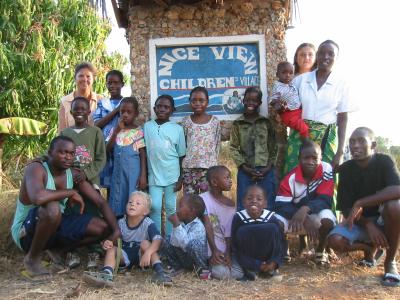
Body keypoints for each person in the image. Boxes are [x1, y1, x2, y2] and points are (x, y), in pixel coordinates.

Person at [10, 136, 119, 279]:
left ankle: (59, 250)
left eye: (71, 153)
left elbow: (100, 202)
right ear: (50, 153)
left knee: (103, 227)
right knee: (52, 207)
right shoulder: (36, 168)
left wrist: (116, 230)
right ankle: (32, 258)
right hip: (26, 232)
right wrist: (71, 192)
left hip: (55, 225)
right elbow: (38, 197)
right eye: (63, 152)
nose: (68, 157)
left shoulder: (72, 174)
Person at [327, 127, 400, 287]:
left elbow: (397, 190)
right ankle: (369, 249)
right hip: (360, 221)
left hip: (384, 220)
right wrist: (368, 224)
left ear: (373, 145)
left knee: (395, 206)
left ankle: (390, 261)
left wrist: (360, 203)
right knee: (335, 241)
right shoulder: (345, 169)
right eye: (352, 142)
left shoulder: (384, 161)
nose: (355, 145)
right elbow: (346, 208)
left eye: (361, 141)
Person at [283, 40, 355, 175]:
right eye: (322, 53)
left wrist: (339, 152)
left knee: (326, 178)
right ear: (317, 56)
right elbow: (288, 108)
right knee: (293, 177)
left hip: (326, 138)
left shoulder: (342, 84)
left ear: (336, 57)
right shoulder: (300, 80)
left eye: (331, 54)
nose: (326, 57)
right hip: (300, 136)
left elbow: (343, 118)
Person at [83, 191, 172, 287]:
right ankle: (107, 274)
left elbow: (158, 240)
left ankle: (160, 272)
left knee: (146, 243)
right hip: (124, 255)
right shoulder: (120, 222)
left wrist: (148, 252)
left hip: (141, 256)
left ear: (145, 211)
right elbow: (110, 240)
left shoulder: (148, 223)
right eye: (130, 202)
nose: (133, 204)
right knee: (112, 249)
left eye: (138, 203)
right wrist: (107, 242)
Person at [60, 97, 107, 269]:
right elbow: (56, 153)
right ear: (71, 112)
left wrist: (86, 173)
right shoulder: (65, 133)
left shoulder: (95, 132)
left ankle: (94, 252)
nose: (79, 112)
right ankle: (72, 251)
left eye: (83, 109)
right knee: (72, 215)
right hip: (70, 184)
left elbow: (101, 159)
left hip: (90, 183)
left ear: (89, 112)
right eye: (76, 109)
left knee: (92, 215)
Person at [275, 140, 336, 265]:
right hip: (294, 216)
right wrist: (304, 218)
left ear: (321, 157)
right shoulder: (290, 178)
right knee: (275, 222)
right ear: (299, 158)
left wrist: (305, 209)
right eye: (306, 158)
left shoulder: (326, 168)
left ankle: (320, 251)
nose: (310, 162)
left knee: (328, 220)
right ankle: (283, 247)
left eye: (315, 158)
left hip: (313, 213)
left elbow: (325, 199)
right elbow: (281, 205)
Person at [143, 95, 186, 236]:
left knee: (170, 207)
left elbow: (181, 155)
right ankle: (156, 237)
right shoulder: (147, 126)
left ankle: (168, 238)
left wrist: (180, 178)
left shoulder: (177, 129)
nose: (162, 109)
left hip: (172, 175)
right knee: (154, 206)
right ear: (154, 108)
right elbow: (143, 150)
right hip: (154, 175)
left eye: (166, 107)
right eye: (159, 106)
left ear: (172, 110)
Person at [230, 86, 277, 211]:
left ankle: (268, 228)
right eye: (248, 100)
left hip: (266, 170)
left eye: (254, 101)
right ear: (243, 101)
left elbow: (274, 147)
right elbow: (233, 148)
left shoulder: (266, 123)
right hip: (245, 170)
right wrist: (244, 167)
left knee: (268, 202)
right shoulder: (237, 124)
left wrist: (268, 167)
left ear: (260, 103)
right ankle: (243, 228)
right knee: (243, 203)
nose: (251, 103)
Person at [231, 185, 287, 281]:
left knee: (274, 229)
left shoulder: (271, 218)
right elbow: (235, 246)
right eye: (249, 198)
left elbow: (281, 243)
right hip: (249, 259)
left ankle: (270, 269)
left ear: (265, 204)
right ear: (243, 202)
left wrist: (274, 262)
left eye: (259, 199)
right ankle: (251, 270)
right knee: (242, 231)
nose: (254, 201)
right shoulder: (238, 218)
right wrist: (256, 264)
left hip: (268, 258)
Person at [200, 166, 243, 280]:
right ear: (214, 182)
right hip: (210, 247)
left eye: (230, 177)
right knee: (221, 274)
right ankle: (206, 265)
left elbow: (229, 232)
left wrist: (228, 253)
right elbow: (206, 224)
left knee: (238, 274)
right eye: (227, 178)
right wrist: (214, 250)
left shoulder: (231, 204)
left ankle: (216, 266)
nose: (230, 181)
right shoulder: (202, 199)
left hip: (225, 249)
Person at [106, 97, 147, 217]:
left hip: (133, 173)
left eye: (129, 112)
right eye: (122, 111)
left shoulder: (138, 131)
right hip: (118, 172)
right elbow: (108, 149)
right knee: (118, 196)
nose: (125, 115)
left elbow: (142, 154)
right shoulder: (115, 130)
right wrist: (117, 131)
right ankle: (119, 226)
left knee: (132, 196)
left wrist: (143, 176)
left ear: (136, 114)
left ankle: (132, 225)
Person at [181, 86, 221, 195]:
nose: (197, 103)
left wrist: (215, 166)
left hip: (209, 169)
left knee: (207, 201)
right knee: (190, 202)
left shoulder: (214, 122)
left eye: (201, 100)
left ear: (207, 102)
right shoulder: (186, 122)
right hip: (189, 169)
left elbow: (217, 145)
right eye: (194, 100)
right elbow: (183, 145)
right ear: (190, 102)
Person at [161, 194, 208, 278]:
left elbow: (186, 244)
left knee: (193, 244)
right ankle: (177, 267)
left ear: (191, 210)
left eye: (180, 206)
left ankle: (203, 269)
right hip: (184, 258)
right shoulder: (181, 223)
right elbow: (174, 243)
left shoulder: (198, 226)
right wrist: (177, 226)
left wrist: (176, 224)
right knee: (167, 240)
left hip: (195, 260)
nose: (177, 210)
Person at [93, 70, 124, 191]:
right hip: (105, 146)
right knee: (108, 183)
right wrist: (115, 111)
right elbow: (97, 124)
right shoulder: (102, 103)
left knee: (120, 181)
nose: (112, 86)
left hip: (121, 145)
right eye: (109, 83)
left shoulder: (126, 102)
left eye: (116, 83)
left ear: (122, 84)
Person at [58, 62, 103, 132]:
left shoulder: (101, 100)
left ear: (93, 79)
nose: (84, 79)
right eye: (81, 76)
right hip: (71, 142)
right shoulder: (65, 102)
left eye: (88, 76)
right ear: (75, 78)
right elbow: (61, 131)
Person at [270, 61, 309, 139]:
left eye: (291, 73)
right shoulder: (277, 86)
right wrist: (278, 104)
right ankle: (306, 142)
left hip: (297, 111)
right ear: (277, 74)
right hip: (289, 113)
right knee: (303, 128)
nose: (288, 75)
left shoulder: (291, 84)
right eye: (284, 73)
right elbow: (272, 101)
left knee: (308, 122)